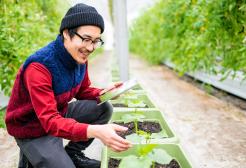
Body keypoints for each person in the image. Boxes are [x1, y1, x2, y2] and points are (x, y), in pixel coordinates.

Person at [5, 3, 132, 168]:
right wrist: (95, 131)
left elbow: (83, 90)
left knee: (103, 107)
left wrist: (104, 92)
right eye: (86, 39)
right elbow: (50, 121)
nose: (90, 47)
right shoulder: (40, 66)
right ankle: (32, 156)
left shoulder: (79, 57)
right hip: (32, 127)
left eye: (95, 41)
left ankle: (72, 154)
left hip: (57, 112)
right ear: (66, 33)